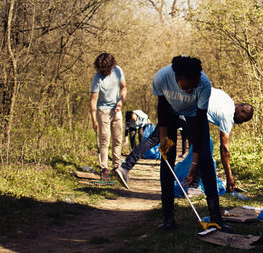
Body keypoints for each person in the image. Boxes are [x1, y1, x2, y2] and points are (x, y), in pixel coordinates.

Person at [119, 55, 232, 232]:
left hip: (195, 115)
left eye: (194, 86)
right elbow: (162, 111)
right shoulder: (161, 78)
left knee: (205, 159)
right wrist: (164, 141)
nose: (191, 90)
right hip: (170, 117)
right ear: (177, 78)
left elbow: (201, 121)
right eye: (187, 87)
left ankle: (216, 217)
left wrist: (194, 162)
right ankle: (168, 218)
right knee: (167, 160)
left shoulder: (204, 84)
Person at [115, 87, 253, 193]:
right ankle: (193, 187)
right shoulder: (228, 116)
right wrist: (230, 177)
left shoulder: (226, 98)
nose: (240, 123)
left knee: (153, 139)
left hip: (175, 103)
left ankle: (125, 167)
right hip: (187, 113)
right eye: (243, 120)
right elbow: (224, 149)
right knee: (205, 145)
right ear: (241, 111)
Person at [90, 52, 127, 180]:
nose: (104, 71)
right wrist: (94, 119)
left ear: (111, 65)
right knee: (104, 140)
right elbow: (93, 99)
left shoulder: (118, 71)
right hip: (102, 111)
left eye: (106, 68)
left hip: (116, 110)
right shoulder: (97, 78)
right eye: (101, 68)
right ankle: (104, 169)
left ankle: (117, 167)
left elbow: (124, 87)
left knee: (118, 139)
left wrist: (121, 101)